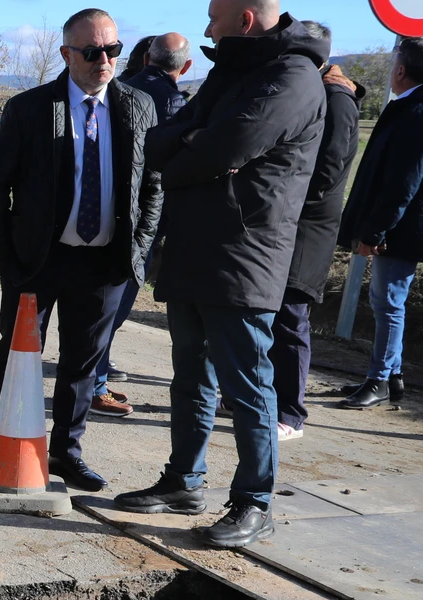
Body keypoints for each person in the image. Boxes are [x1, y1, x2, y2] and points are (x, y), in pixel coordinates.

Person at [111, 0, 326, 549]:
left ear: (245, 19)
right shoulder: (232, 73)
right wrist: (193, 147)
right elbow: (160, 144)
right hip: (194, 249)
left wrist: (193, 148)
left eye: (213, 16)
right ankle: (184, 481)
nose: (207, 28)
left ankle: (255, 502)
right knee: (191, 378)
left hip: (245, 254)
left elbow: (227, 146)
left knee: (249, 384)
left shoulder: (293, 78)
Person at [0, 8, 161, 494]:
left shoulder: (138, 106)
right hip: (37, 260)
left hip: (104, 263)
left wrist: (137, 248)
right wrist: (6, 262)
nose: (104, 60)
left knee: (82, 363)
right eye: (92, 51)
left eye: (112, 50)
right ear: (66, 54)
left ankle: (66, 453)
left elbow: (152, 186)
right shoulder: (30, 109)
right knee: (15, 356)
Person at [336, 36, 423, 410]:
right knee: (388, 300)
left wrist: (377, 229)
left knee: (388, 302)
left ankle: (378, 380)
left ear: (400, 70)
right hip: (408, 222)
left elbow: (403, 180)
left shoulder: (422, 111)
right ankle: (391, 377)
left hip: (405, 225)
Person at [272, 27, 363, 438]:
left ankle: (290, 414)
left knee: (292, 318)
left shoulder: (337, 100)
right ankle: (261, 398)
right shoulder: (311, 90)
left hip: (309, 226)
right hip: (286, 220)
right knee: (271, 315)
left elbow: (328, 169)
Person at [100, 30, 194, 413]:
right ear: (186, 67)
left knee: (104, 297)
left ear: (145, 59)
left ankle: (95, 372)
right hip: (146, 215)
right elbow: (167, 163)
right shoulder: (173, 102)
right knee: (120, 295)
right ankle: (95, 379)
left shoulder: (118, 89)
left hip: (108, 206)